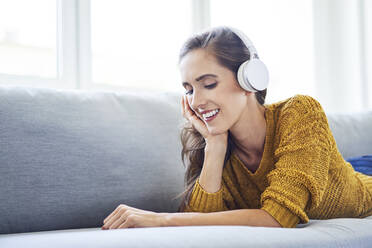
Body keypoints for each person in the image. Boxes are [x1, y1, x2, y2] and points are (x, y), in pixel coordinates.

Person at [101, 26, 372, 230]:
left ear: (250, 80)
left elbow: (280, 217)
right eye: (189, 90)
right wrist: (215, 145)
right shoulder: (219, 146)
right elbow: (204, 222)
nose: (196, 101)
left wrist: (161, 219)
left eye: (208, 84)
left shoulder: (300, 111)